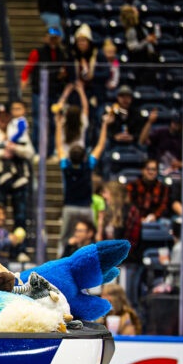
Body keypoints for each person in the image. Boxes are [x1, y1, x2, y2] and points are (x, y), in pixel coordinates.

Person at [57, 108, 110, 255]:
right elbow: (100, 146)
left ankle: (60, 259)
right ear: (84, 157)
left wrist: (58, 124)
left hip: (70, 208)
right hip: (86, 208)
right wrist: (105, 125)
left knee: (64, 238)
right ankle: (92, 256)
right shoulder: (88, 165)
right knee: (90, 236)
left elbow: (59, 146)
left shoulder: (66, 166)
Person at [0, 102, 33, 250]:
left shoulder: (19, 131)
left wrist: (15, 148)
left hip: (18, 178)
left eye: (5, 116)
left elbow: (29, 152)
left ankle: (19, 249)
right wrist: (1, 152)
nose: (2, 119)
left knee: (20, 215)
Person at [21, 27, 69, 113]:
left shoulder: (62, 54)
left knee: (55, 118)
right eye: (51, 38)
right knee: (38, 118)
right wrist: (24, 80)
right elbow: (27, 69)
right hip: (39, 91)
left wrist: (63, 74)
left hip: (55, 91)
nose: (53, 41)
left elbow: (65, 70)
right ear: (45, 38)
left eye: (55, 38)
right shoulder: (37, 53)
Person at [138, 108, 183, 173]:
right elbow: (142, 140)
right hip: (158, 170)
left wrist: (180, 164)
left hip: (177, 172)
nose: (176, 125)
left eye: (179, 123)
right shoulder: (161, 132)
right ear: (171, 121)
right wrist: (150, 122)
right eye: (174, 122)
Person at [127, 158, 170, 224]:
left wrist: (154, 216)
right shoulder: (133, 186)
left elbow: (164, 206)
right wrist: (138, 217)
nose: (151, 172)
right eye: (148, 169)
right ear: (142, 170)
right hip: (136, 217)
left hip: (155, 219)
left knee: (166, 222)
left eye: (154, 169)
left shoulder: (163, 187)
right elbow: (129, 204)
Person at [54, 82, 89, 156]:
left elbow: (57, 109)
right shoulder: (82, 122)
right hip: (79, 154)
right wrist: (81, 91)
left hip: (65, 154)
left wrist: (65, 93)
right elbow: (85, 108)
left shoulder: (62, 122)